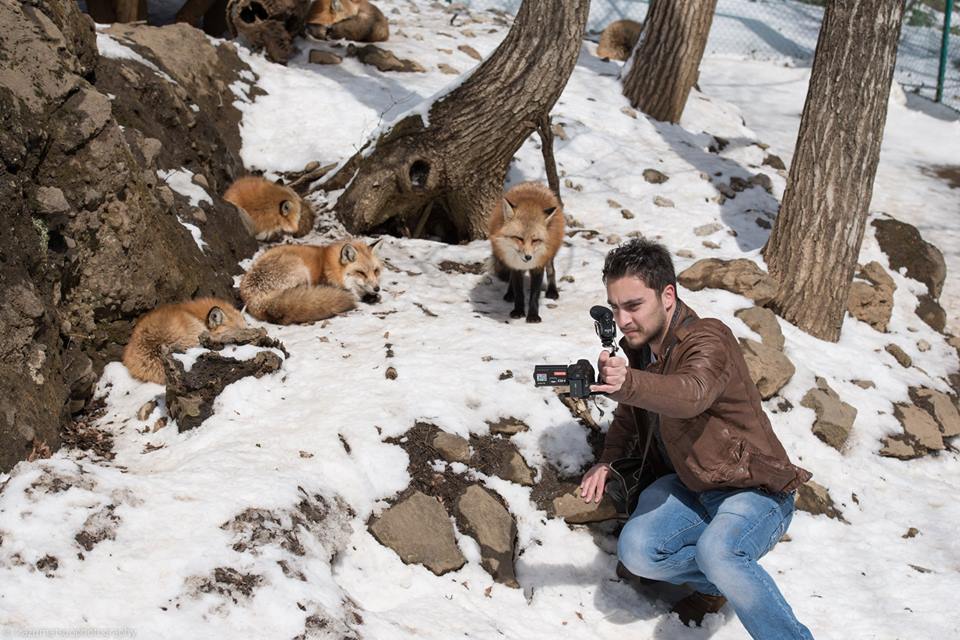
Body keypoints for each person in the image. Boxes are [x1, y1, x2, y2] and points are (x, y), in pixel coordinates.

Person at [579, 239, 814, 639]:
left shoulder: (709, 338)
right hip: (690, 484)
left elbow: (691, 393)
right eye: (615, 307)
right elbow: (628, 415)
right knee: (637, 552)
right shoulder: (637, 349)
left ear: (667, 295)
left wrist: (630, 382)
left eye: (633, 306)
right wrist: (608, 459)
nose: (623, 320)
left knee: (719, 552)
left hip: (751, 488)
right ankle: (717, 586)